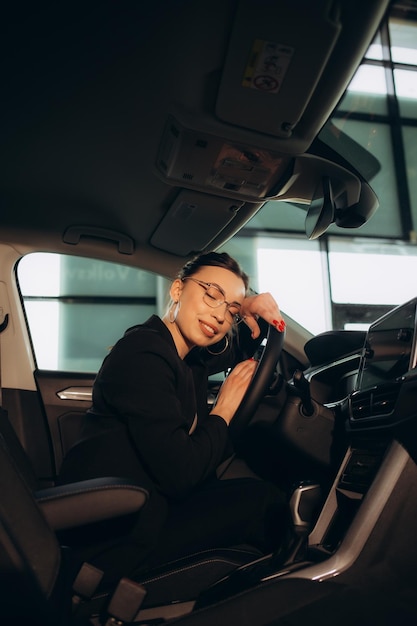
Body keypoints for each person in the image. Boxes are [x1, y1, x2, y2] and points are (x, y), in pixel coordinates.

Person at [58, 251, 288, 587]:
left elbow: (233, 347)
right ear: (178, 290)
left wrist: (248, 305)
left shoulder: (185, 358)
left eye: (231, 311)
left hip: (152, 507)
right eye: (211, 295)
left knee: (258, 495)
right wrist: (223, 409)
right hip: (119, 533)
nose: (220, 315)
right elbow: (182, 474)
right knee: (264, 503)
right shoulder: (145, 354)